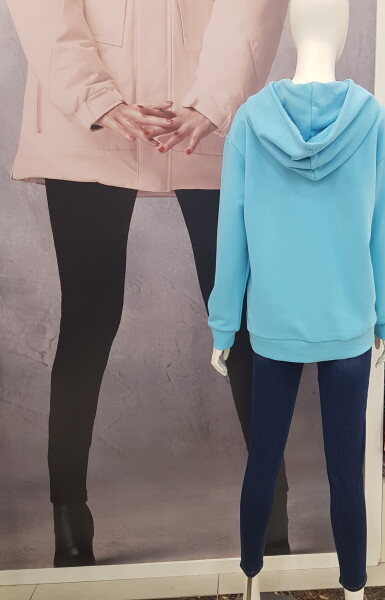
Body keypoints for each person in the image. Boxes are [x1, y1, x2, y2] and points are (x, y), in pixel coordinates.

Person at [7, 0, 290, 567]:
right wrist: (96, 98)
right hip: (88, 122)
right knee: (89, 321)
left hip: (204, 117)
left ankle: (271, 503)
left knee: (239, 317)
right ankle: (69, 515)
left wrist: (212, 101)